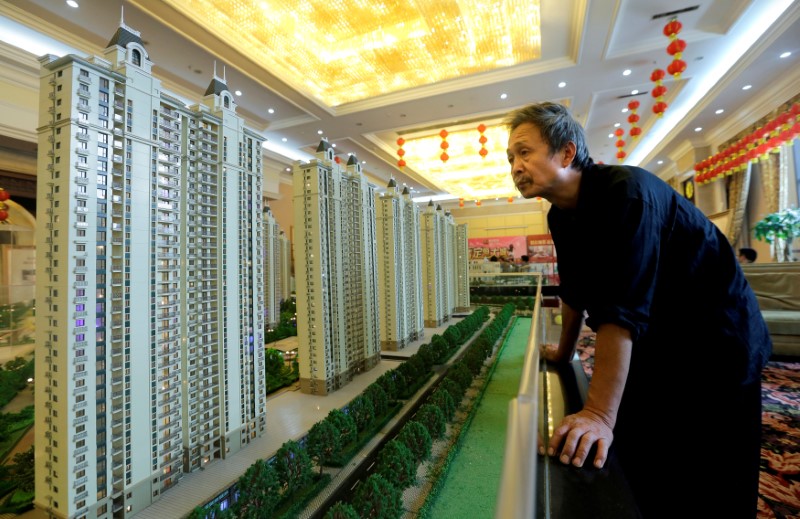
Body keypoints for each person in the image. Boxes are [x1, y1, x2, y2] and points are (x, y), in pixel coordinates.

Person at [506, 102, 771, 518]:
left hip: (717, 342)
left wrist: (596, 412)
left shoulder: (624, 192)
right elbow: (575, 290)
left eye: (524, 152)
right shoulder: (560, 215)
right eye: (510, 158)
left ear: (567, 152)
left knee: (714, 478)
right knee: (642, 457)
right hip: (657, 339)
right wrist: (562, 352)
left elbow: (619, 309)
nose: (515, 166)